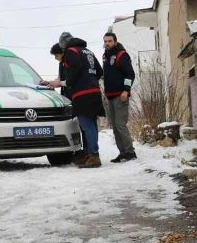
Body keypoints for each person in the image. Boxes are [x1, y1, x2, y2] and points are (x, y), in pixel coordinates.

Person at [43, 32, 104, 168]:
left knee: (86, 126)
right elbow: (99, 72)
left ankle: (94, 155)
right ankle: (90, 153)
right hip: (94, 92)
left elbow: (71, 78)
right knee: (92, 125)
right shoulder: (88, 51)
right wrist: (90, 80)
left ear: (63, 45)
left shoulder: (70, 52)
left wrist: (60, 84)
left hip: (82, 94)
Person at [48, 42, 88, 164]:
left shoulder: (70, 61)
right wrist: (49, 82)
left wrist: (59, 83)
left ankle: (87, 151)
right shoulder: (62, 64)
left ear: (61, 53)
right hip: (66, 96)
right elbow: (60, 79)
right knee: (74, 124)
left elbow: (69, 80)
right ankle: (79, 151)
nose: (55, 58)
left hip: (75, 95)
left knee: (83, 124)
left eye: (56, 55)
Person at [102, 31, 137, 162]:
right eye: (105, 41)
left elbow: (130, 74)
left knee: (120, 125)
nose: (107, 44)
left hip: (120, 96)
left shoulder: (122, 55)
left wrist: (126, 91)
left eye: (110, 41)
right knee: (115, 127)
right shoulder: (105, 56)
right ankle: (122, 152)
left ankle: (130, 152)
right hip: (110, 96)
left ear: (115, 42)